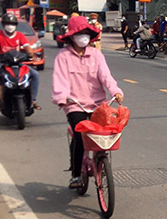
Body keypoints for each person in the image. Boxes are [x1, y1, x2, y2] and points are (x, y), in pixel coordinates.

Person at [51, 15, 124, 189]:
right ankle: (76, 174)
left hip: (98, 103)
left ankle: (100, 162)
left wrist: (115, 91)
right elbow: (60, 80)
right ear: (71, 36)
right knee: (79, 135)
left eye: (85, 33)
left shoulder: (96, 55)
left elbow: (106, 77)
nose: (82, 36)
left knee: (102, 134)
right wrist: (62, 98)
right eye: (79, 33)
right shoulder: (63, 56)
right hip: (75, 104)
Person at [0, 13, 41, 110]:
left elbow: (27, 47)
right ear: (3, 24)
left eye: (12, 24)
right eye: (8, 23)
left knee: (35, 74)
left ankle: (33, 99)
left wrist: (31, 55)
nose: (10, 26)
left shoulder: (20, 35)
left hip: (17, 63)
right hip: (3, 63)